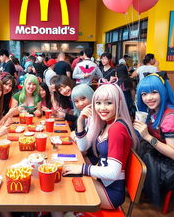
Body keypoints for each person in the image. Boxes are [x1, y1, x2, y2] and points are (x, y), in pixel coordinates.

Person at [63, 83, 138, 209]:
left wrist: (82, 169)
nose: (102, 108)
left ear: (118, 102)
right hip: (102, 181)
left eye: (108, 103)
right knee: (66, 175)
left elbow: (113, 172)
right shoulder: (106, 123)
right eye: (98, 103)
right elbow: (83, 146)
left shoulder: (117, 128)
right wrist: (80, 120)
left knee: (65, 185)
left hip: (110, 192)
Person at [133, 72, 174, 207]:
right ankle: (137, 188)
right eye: (144, 94)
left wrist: (148, 137)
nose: (148, 98)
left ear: (163, 92)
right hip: (158, 153)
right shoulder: (153, 111)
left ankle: (142, 190)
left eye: (154, 92)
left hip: (169, 163)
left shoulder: (169, 118)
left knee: (144, 155)